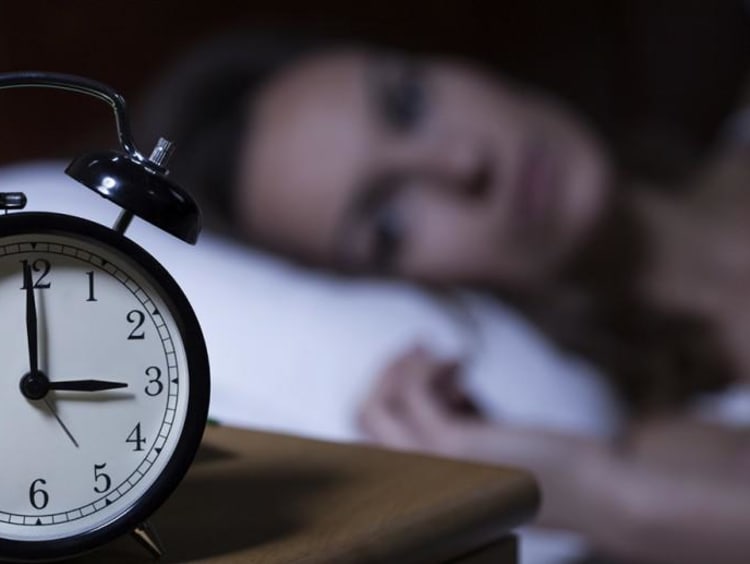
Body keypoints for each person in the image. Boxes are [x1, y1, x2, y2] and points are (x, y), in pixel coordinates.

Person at [138, 32, 750, 563]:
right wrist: (590, 492)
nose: (463, 163)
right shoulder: (681, 451)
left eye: (408, 103)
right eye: (388, 225)